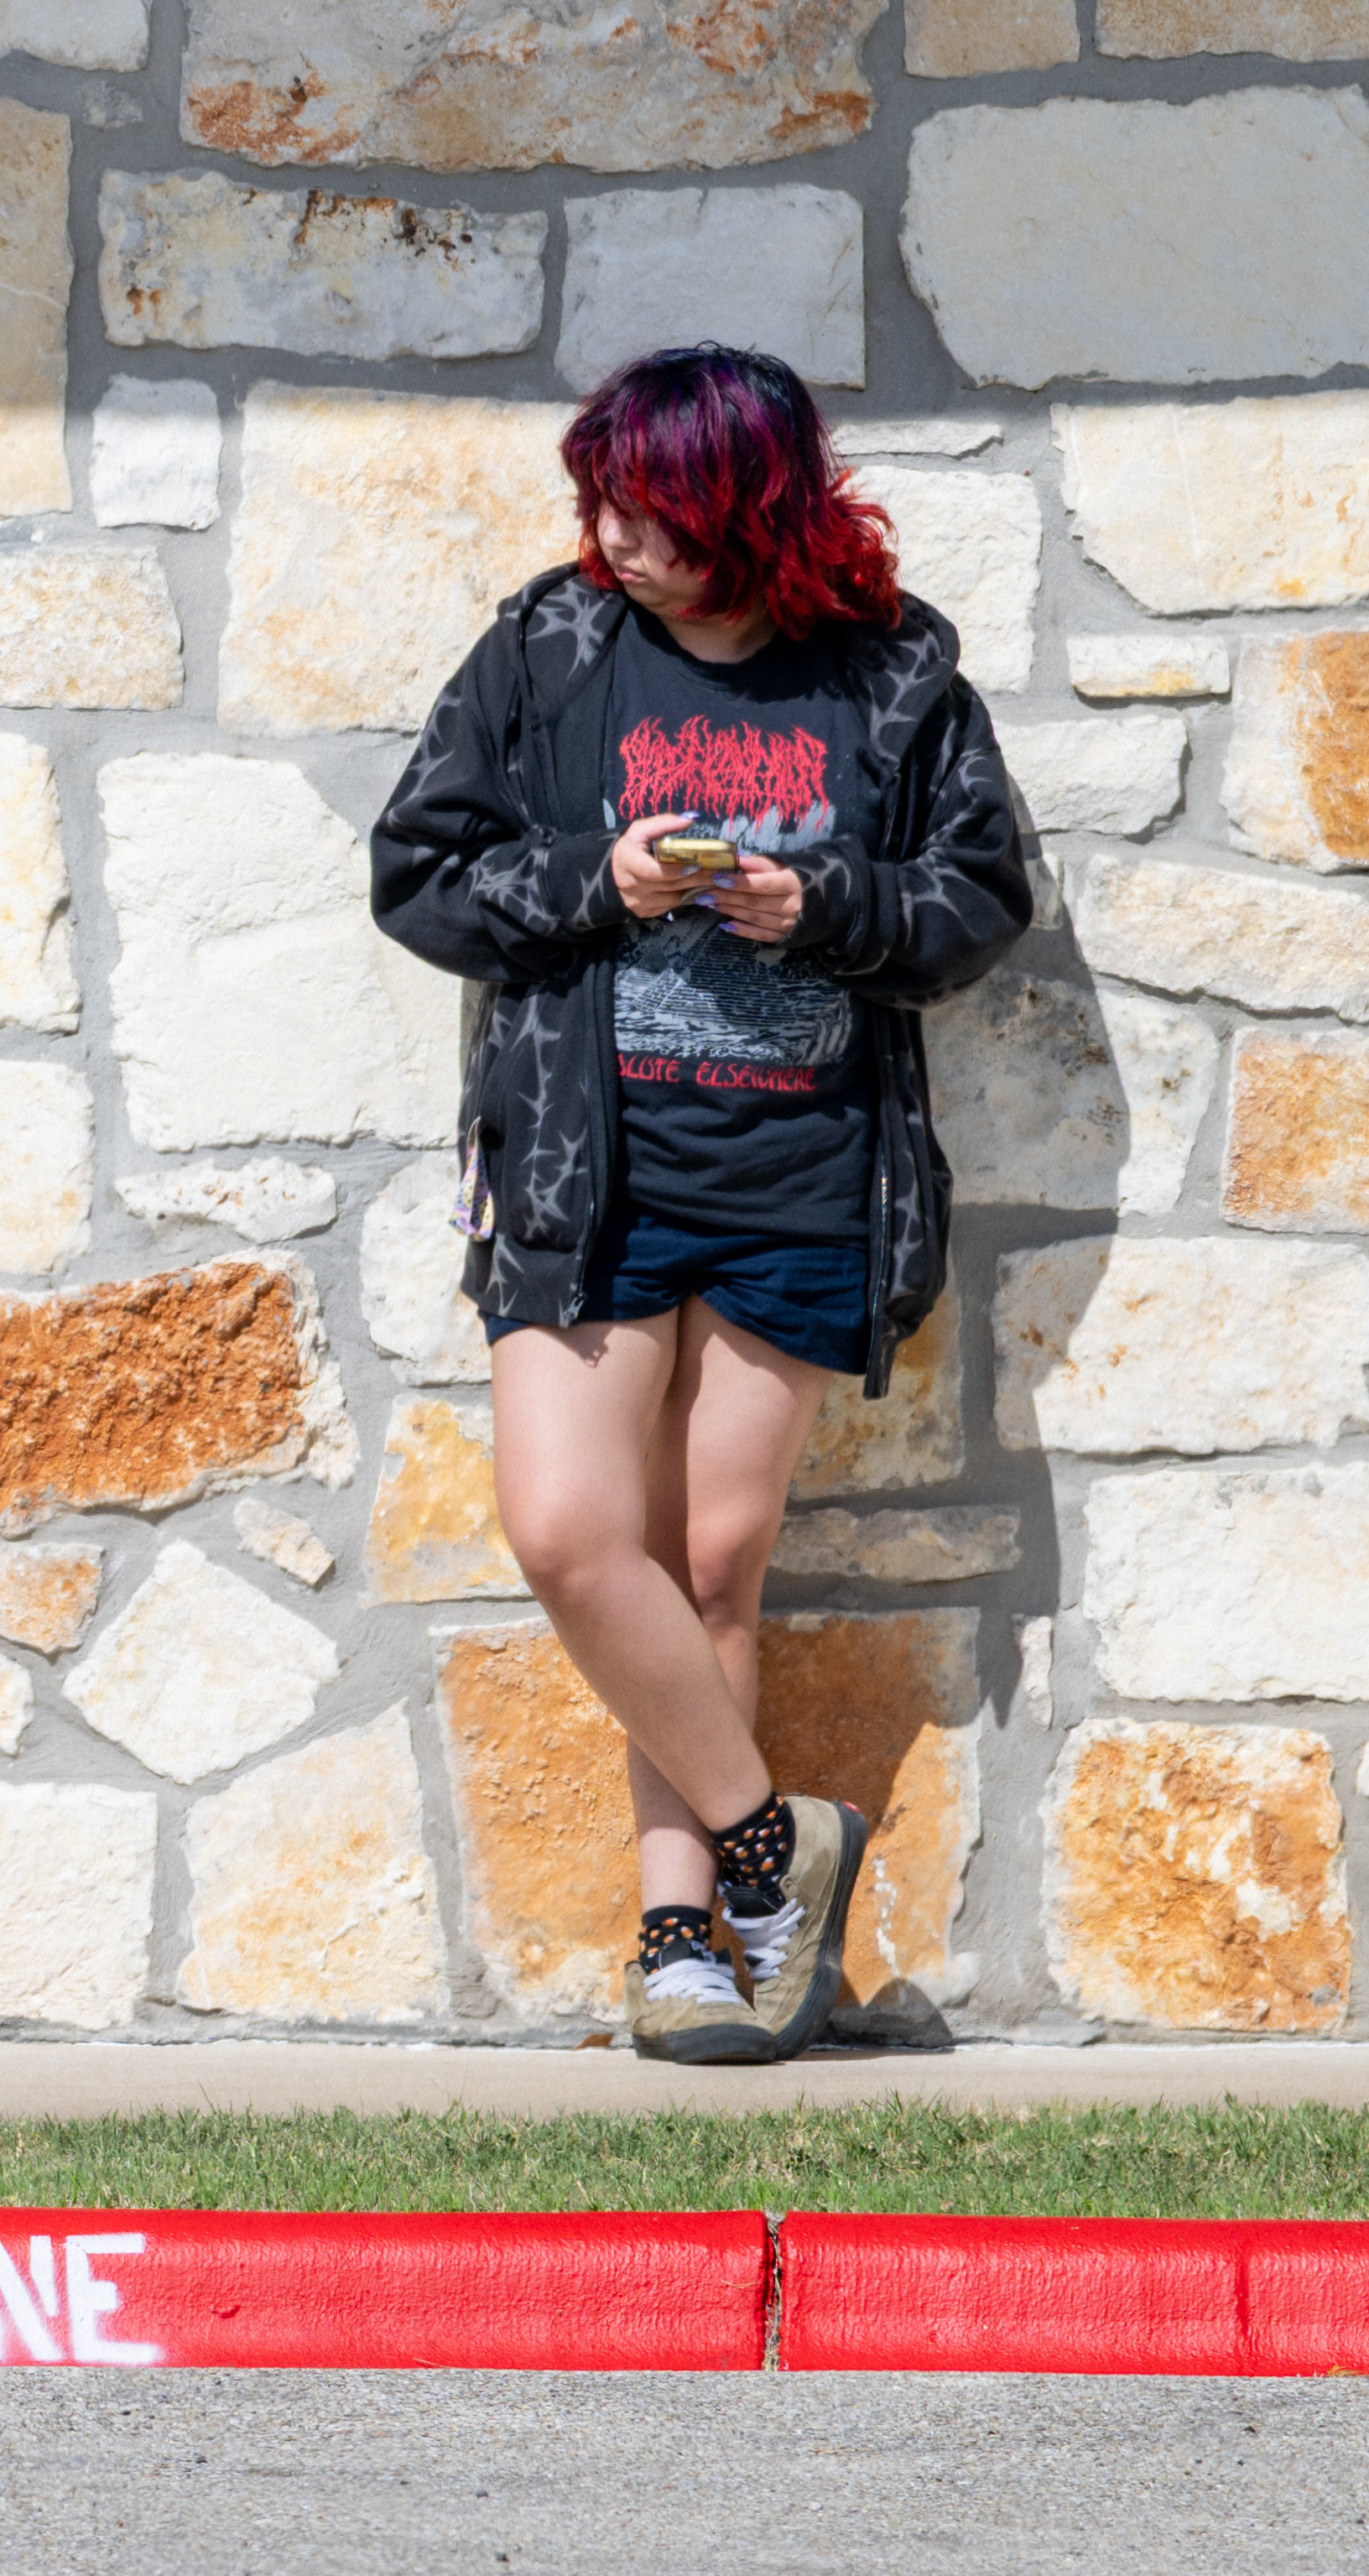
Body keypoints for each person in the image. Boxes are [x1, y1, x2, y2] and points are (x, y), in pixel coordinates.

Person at [373, 344, 1033, 2070]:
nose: (609, 534)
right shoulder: (554, 645)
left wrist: (814, 900)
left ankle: (698, 1947)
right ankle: (778, 1845)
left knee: (714, 1565)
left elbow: (976, 902)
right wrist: (588, 878)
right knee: (573, 1535)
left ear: (745, 508)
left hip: (801, 1177)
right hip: (591, 1179)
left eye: (646, 506)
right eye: (597, 498)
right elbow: (418, 869)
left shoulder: (889, 678)